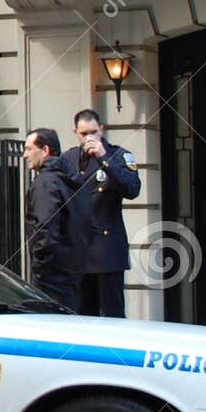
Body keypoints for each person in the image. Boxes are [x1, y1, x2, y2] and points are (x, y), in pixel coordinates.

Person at [63, 109, 140, 317]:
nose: (89, 138)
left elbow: (132, 190)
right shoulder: (69, 159)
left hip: (107, 251)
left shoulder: (119, 155)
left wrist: (104, 158)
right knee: (81, 316)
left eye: (93, 132)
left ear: (102, 129)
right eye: (83, 133)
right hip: (78, 253)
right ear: (75, 132)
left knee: (112, 315)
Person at [23, 129, 86, 311]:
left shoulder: (46, 183)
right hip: (72, 269)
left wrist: (39, 267)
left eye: (29, 149)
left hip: (53, 274)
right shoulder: (69, 178)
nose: (25, 155)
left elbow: (45, 228)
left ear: (45, 150)